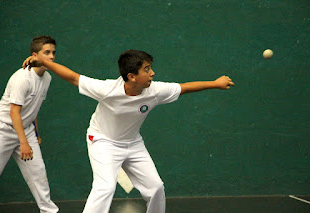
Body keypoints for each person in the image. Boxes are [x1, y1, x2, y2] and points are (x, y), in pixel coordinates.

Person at [23, 49, 235, 213]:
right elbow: (74, 78)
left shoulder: (155, 91)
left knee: (156, 187)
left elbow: (184, 87)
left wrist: (215, 84)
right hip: (102, 141)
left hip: (133, 143)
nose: (152, 73)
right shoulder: (107, 90)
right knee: (105, 188)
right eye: (147, 69)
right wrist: (45, 63)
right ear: (132, 76)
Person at [0, 35, 59, 213]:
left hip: (26, 130)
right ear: (34, 55)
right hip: (1, 130)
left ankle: (49, 211)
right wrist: (24, 143)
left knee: (38, 175)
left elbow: (33, 109)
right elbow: (14, 113)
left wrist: (35, 134)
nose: (51, 57)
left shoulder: (47, 78)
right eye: (47, 52)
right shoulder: (22, 78)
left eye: (53, 53)